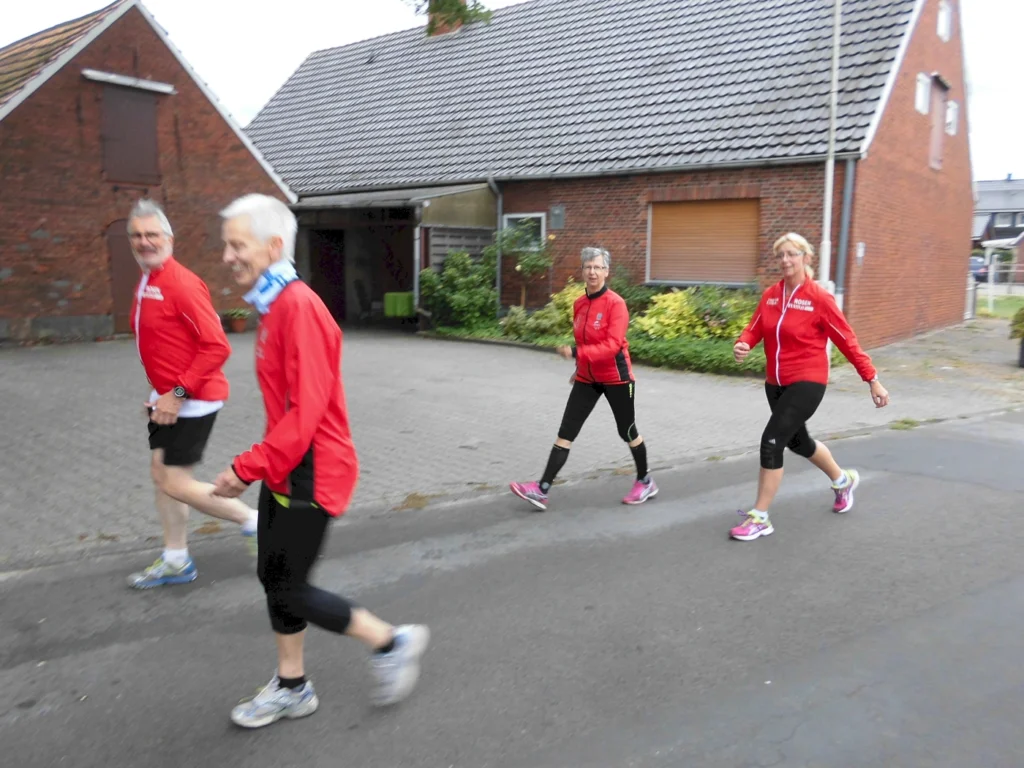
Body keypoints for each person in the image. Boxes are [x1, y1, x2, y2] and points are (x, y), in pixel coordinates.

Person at [211, 193, 429, 729]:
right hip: (287, 467)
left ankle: (390, 641)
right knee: (274, 576)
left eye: (237, 245)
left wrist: (246, 467)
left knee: (289, 585)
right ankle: (293, 687)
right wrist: (262, 464)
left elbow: (304, 416)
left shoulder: (300, 309)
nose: (227, 256)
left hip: (311, 469)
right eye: (227, 245)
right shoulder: (277, 304)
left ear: (274, 246)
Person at [126, 199, 258, 589]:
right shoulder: (150, 279)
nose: (144, 241)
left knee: (174, 482)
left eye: (152, 234)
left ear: (168, 238)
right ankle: (176, 559)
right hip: (168, 397)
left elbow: (217, 346)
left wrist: (176, 394)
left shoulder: (180, 282)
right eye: (137, 235)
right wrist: (158, 391)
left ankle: (254, 523)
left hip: (192, 398)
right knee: (162, 476)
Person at [730, 232, 890, 541]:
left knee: (772, 441)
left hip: (808, 381)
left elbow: (847, 340)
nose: (786, 260)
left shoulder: (818, 297)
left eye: (792, 254)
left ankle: (760, 517)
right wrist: (743, 344)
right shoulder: (771, 295)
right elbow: (754, 328)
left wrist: (872, 379)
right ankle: (842, 480)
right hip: (775, 383)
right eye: (782, 255)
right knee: (798, 442)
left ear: (807, 258)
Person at [510, 246, 657, 511]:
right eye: (588, 267)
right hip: (587, 378)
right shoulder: (579, 304)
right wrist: (578, 369)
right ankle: (542, 490)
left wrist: (577, 353)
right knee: (566, 431)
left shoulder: (616, 304)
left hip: (617, 378)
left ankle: (645, 480)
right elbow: (585, 340)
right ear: (582, 271)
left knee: (627, 431)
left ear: (606, 271)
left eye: (598, 267)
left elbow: (612, 346)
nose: (592, 272)